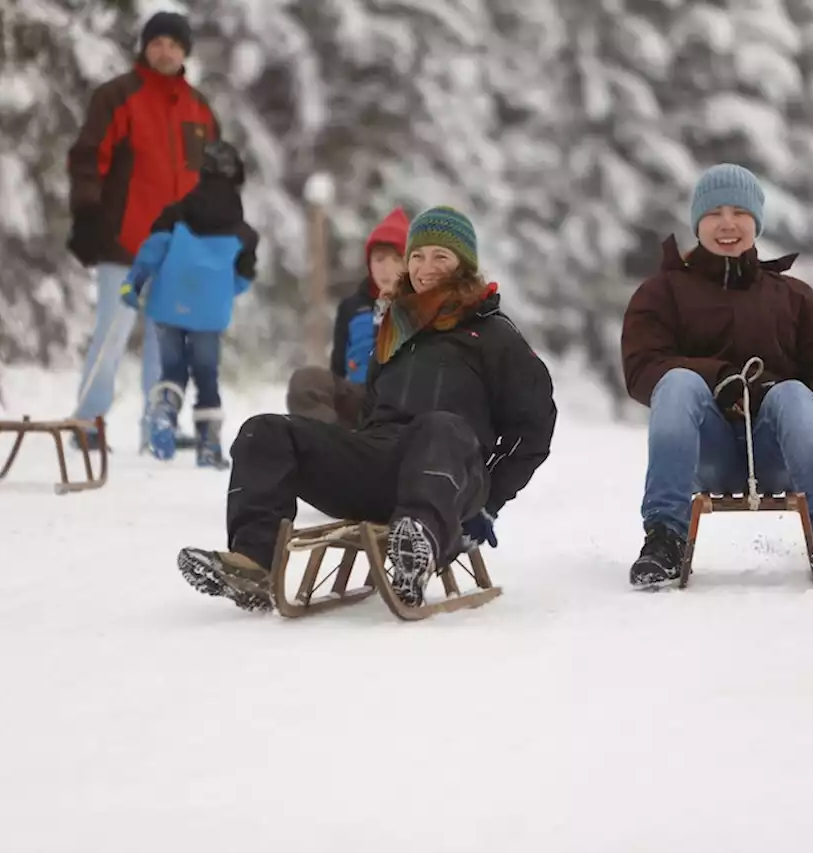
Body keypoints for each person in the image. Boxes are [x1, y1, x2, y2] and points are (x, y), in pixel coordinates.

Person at [175, 206, 558, 610]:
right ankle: (252, 564)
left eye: (440, 257)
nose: (425, 268)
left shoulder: (494, 334)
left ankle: (417, 549)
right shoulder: (395, 330)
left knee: (439, 427)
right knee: (264, 432)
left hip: (452, 475)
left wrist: (490, 501)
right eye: (417, 256)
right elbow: (371, 410)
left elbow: (533, 429)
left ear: (464, 265)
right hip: (383, 463)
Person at [621, 164, 813, 592]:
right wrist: (718, 377)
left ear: (757, 221)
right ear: (698, 222)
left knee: (792, 393)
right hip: (704, 449)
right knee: (677, 382)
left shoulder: (793, 296)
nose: (727, 223)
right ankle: (664, 538)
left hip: (776, 450)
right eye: (714, 212)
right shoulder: (662, 293)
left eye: (739, 212)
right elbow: (642, 367)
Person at [66, 11, 219, 449]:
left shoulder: (199, 109)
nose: (165, 50)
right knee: (112, 332)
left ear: (185, 52)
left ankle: (159, 428)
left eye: (174, 44)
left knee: (167, 343)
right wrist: (87, 215)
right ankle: (87, 424)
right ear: (144, 47)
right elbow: (88, 158)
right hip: (123, 241)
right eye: (157, 42)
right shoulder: (117, 96)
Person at [120, 140, 258, 469]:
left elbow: (152, 251)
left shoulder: (175, 215)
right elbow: (243, 278)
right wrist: (221, 290)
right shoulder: (243, 233)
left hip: (168, 304)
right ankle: (208, 444)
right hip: (210, 312)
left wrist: (134, 282)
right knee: (206, 375)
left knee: (172, 370)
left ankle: (165, 414)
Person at [285, 207, 409, 428]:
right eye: (379, 259)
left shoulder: (418, 305)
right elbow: (338, 368)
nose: (387, 269)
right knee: (306, 381)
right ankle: (327, 442)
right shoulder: (352, 307)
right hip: (357, 395)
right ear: (369, 263)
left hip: (400, 399)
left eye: (396, 259)